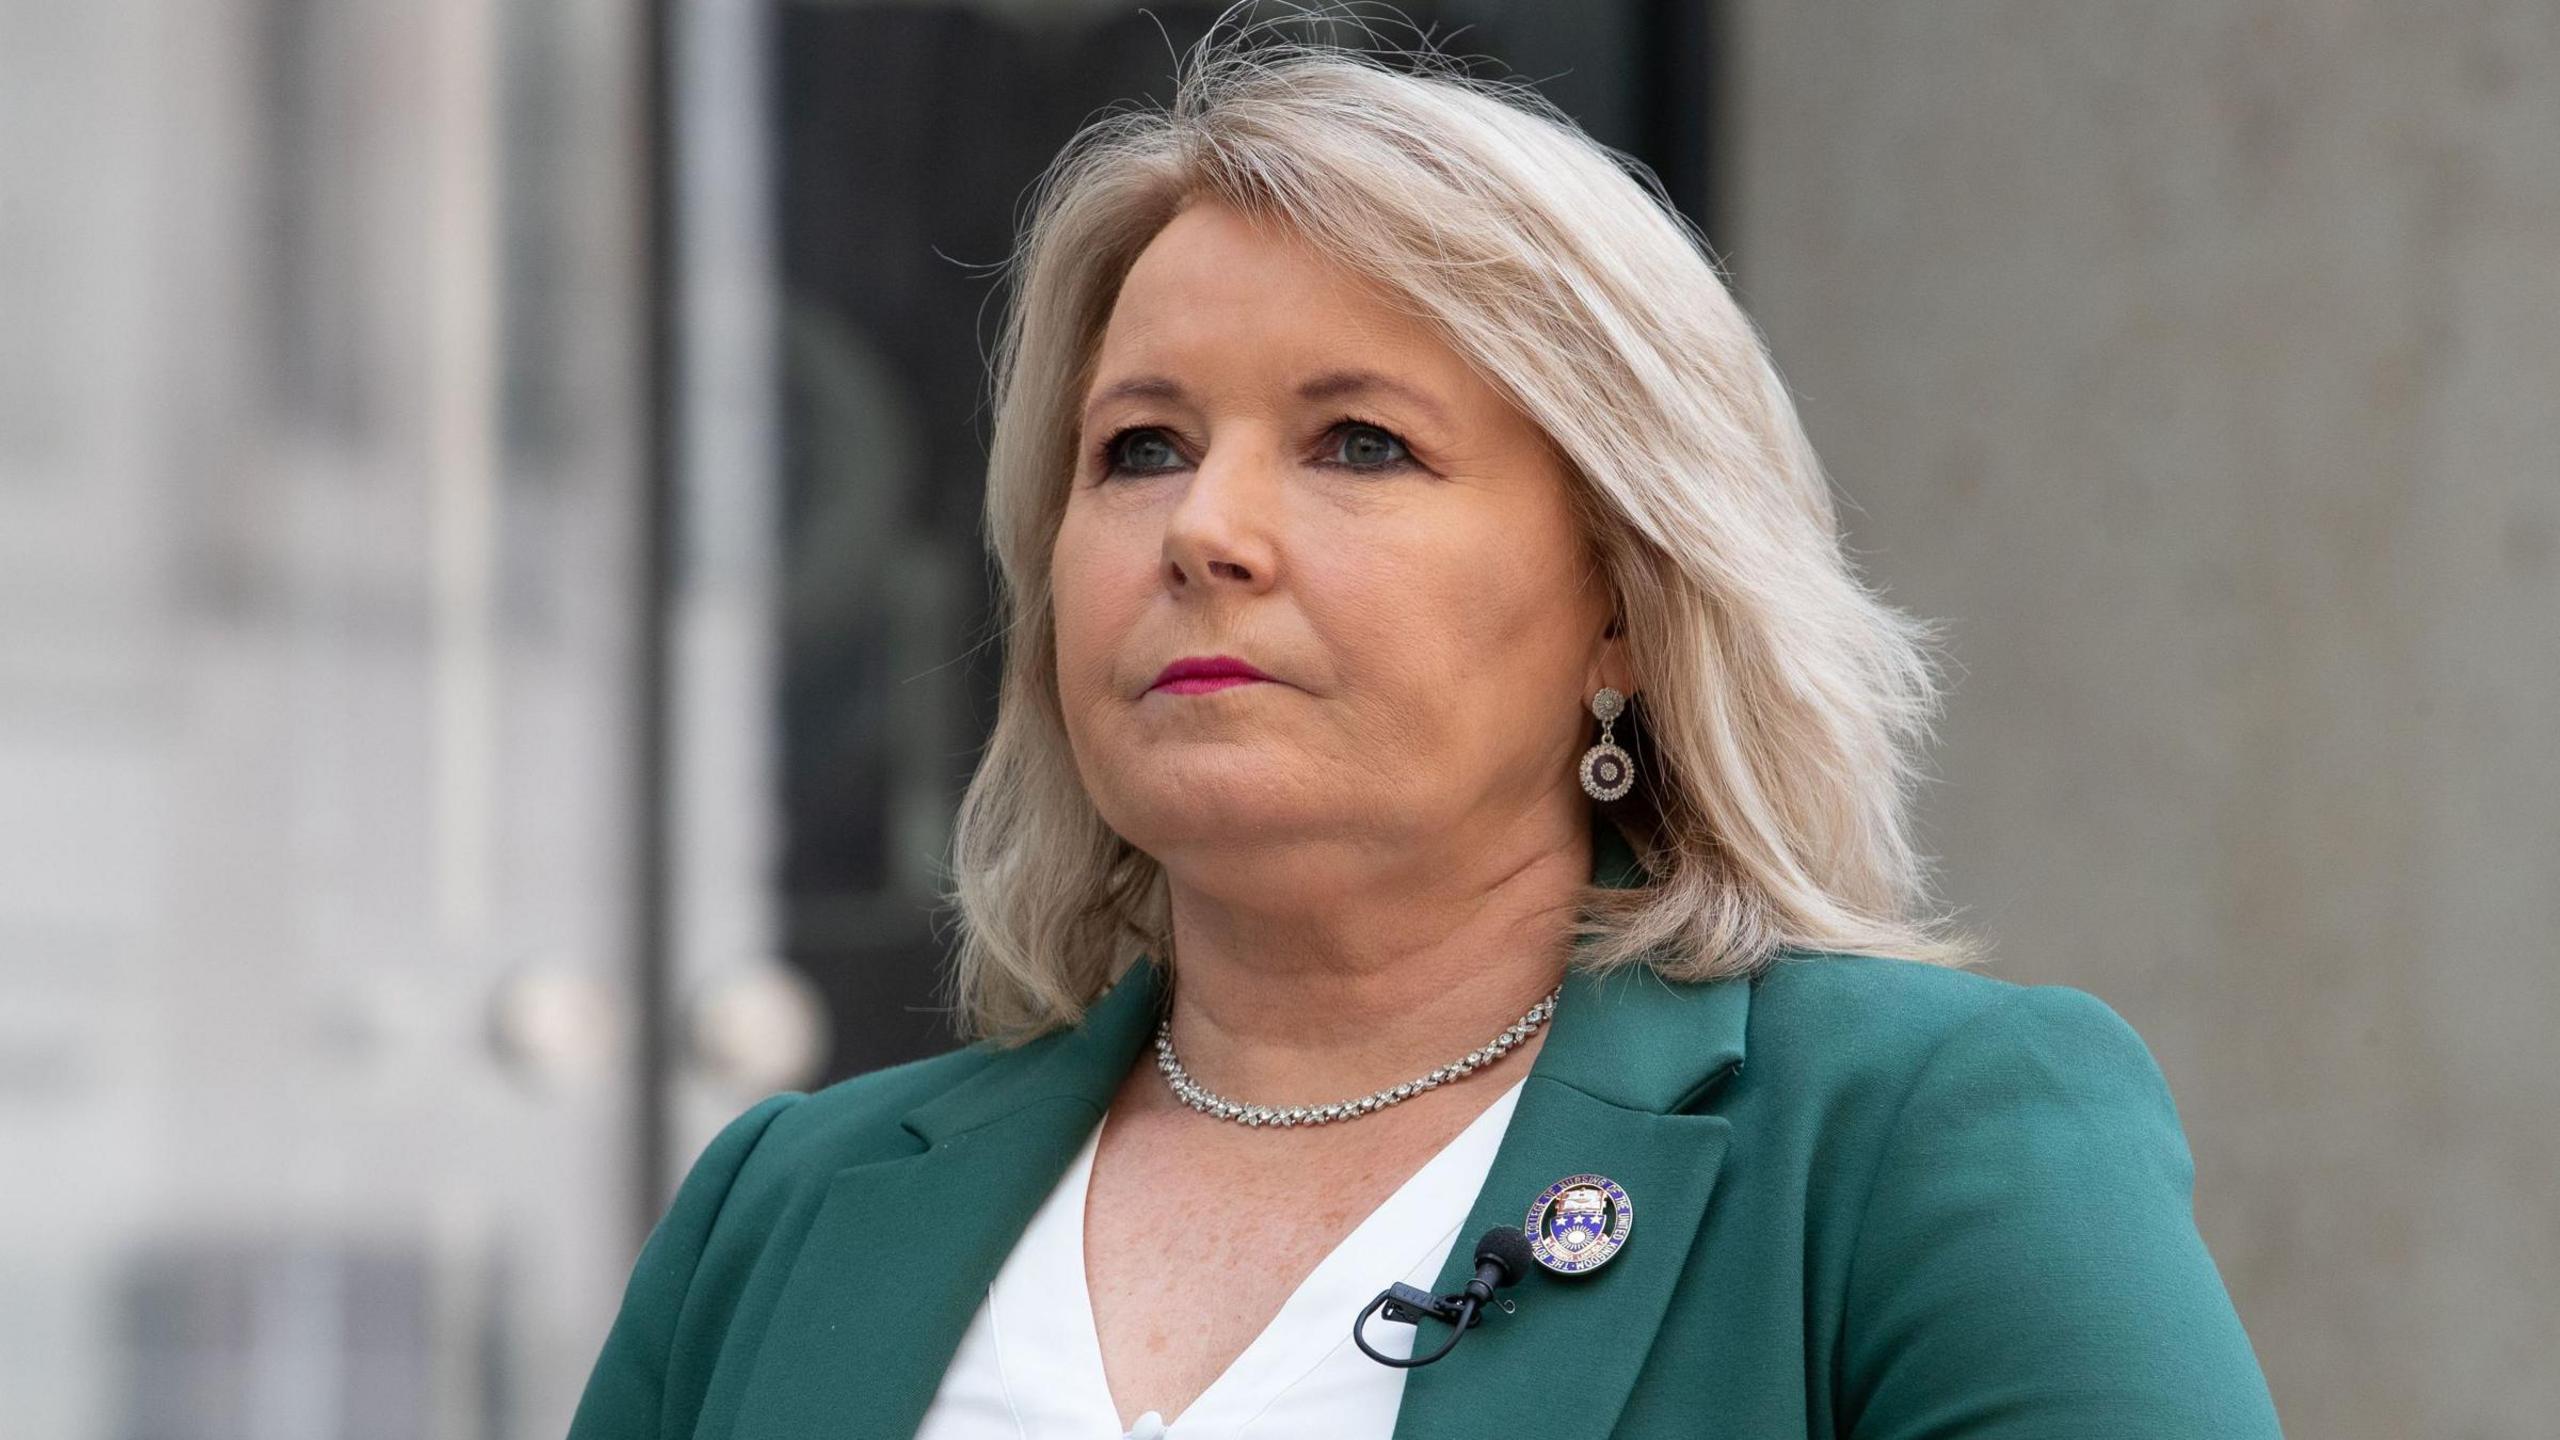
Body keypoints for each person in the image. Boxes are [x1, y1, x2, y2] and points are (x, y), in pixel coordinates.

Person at [565, 23, 2284, 1440]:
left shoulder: (1910, 1141)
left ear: (1625, 593)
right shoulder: (785, 1210)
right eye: (1142, 446)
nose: (1204, 531)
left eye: (1359, 444)